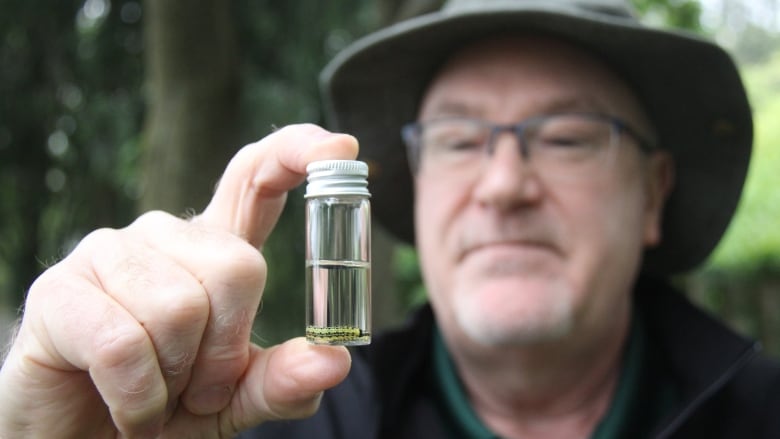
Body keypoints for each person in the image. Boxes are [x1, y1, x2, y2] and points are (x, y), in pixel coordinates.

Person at [1, 0, 778, 437]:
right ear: (415, 182)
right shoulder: (274, 429)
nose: (504, 184)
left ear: (653, 191)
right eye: (459, 138)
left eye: (568, 136)